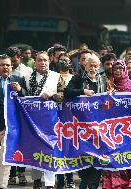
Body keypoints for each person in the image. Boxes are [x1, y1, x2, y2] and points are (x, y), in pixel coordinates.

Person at [0, 54, 27, 189]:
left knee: (5, 157)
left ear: (11, 66)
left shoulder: (18, 80)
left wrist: (20, 90)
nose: (5, 67)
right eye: (2, 65)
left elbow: (26, 98)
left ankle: (1, 185)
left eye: (8, 65)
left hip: (12, 126)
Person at [64, 54, 106, 189]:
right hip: (81, 125)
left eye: (95, 66)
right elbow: (67, 92)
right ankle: (85, 182)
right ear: (85, 66)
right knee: (84, 155)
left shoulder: (103, 80)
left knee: (97, 156)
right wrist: (83, 91)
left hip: (98, 125)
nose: (93, 68)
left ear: (99, 67)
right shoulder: (78, 78)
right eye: (90, 65)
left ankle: (90, 184)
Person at [24, 51, 60, 189]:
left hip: (50, 120)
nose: (43, 63)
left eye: (45, 60)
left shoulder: (56, 77)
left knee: (50, 150)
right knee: (35, 150)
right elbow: (24, 96)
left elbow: (63, 94)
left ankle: (50, 183)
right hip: (32, 120)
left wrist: (52, 94)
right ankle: (37, 180)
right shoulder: (27, 77)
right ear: (35, 62)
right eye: (40, 60)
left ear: (49, 62)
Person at [102, 60, 131, 189]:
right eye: (115, 69)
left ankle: (127, 181)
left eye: (120, 69)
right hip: (111, 127)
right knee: (111, 154)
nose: (117, 71)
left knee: (127, 154)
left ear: (125, 70)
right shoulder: (108, 85)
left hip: (128, 127)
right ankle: (111, 183)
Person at [5, 47, 32, 186]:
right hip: (7, 113)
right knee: (10, 142)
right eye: (10, 61)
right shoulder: (4, 70)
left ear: (20, 58)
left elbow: (30, 92)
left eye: (14, 61)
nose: (12, 64)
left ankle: (21, 173)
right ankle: (11, 174)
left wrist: (20, 89)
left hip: (22, 112)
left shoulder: (27, 71)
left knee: (21, 143)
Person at [54, 53, 75, 189]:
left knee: (70, 148)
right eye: (61, 60)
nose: (63, 62)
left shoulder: (75, 78)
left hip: (72, 119)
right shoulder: (53, 77)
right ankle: (60, 179)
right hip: (57, 117)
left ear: (70, 63)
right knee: (59, 148)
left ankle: (70, 178)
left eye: (66, 61)